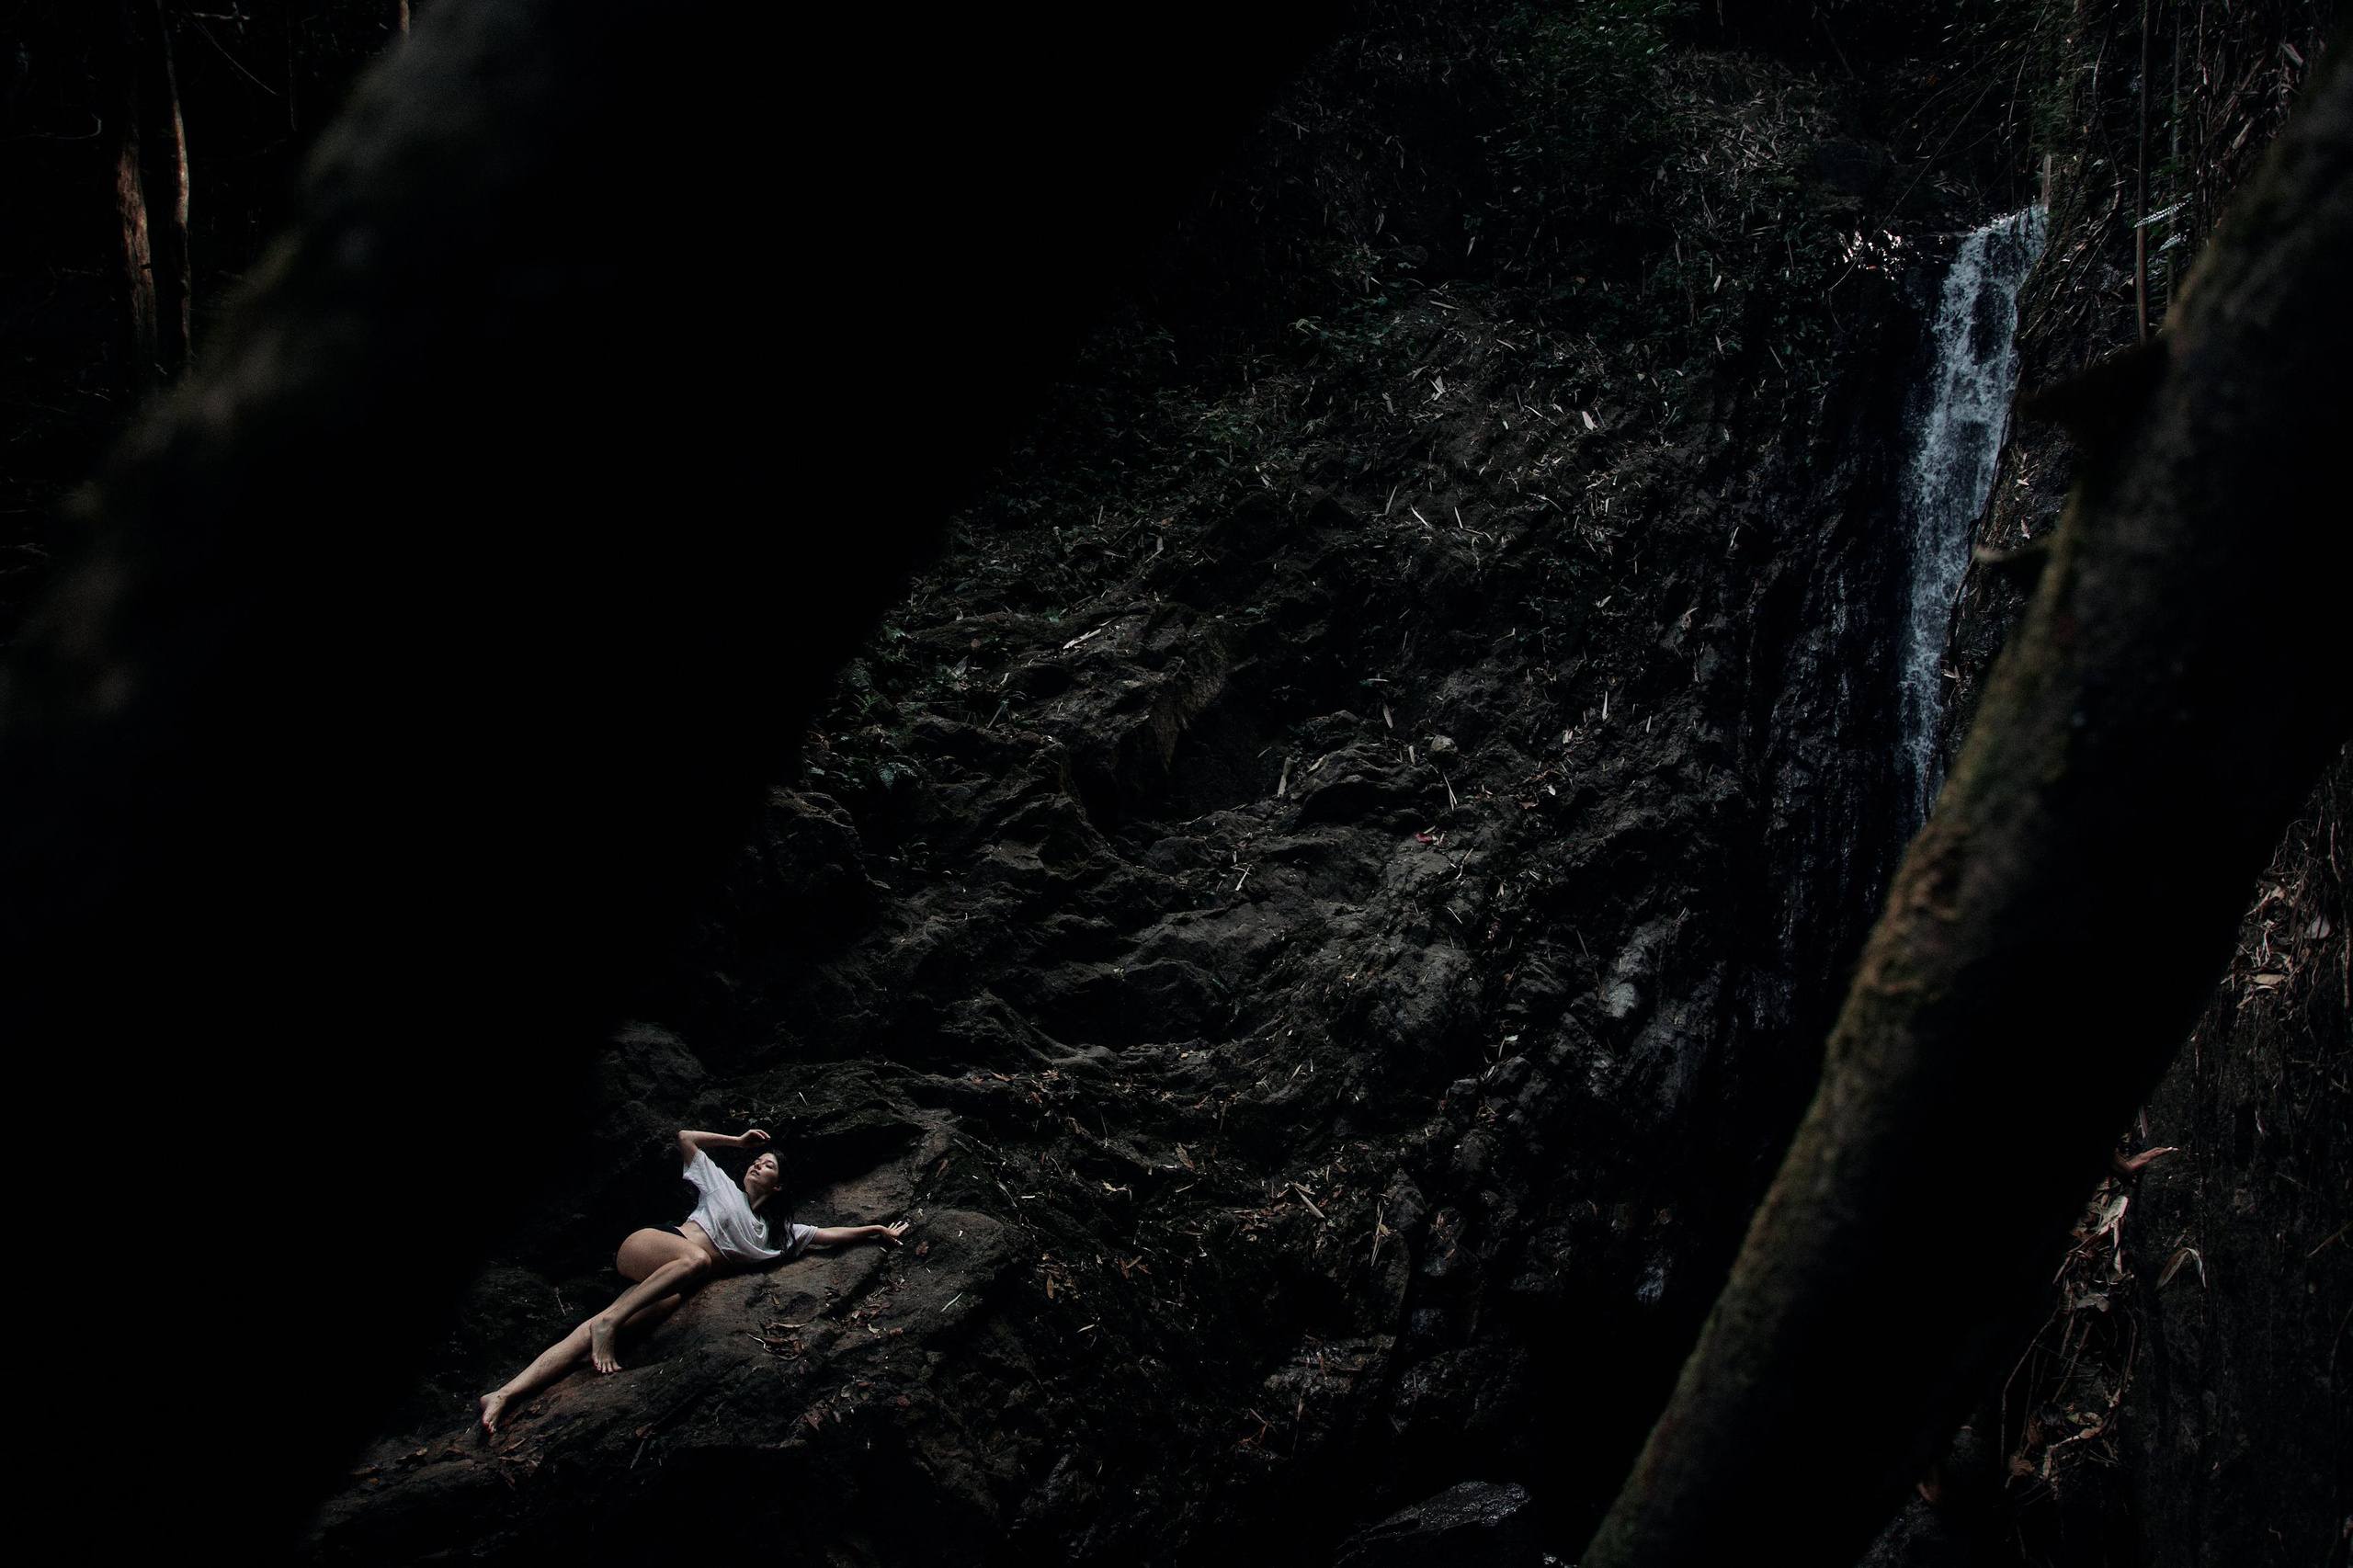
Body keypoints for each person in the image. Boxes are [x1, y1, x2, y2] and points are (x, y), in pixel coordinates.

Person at [478, 1126, 908, 1432]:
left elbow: (827, 1234)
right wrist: (736, 1141)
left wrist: (875, 1231)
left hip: (669, 1282)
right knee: (696, 1263)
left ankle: (504, 1394)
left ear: (779, 1187)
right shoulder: (722, 1186)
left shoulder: (775, 1236)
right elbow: (685, 1137)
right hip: (653, 1245)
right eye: (756, 1160)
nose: (758, 1164)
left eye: (768, 1165)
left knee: (595, 1330)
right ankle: (609, 1326)